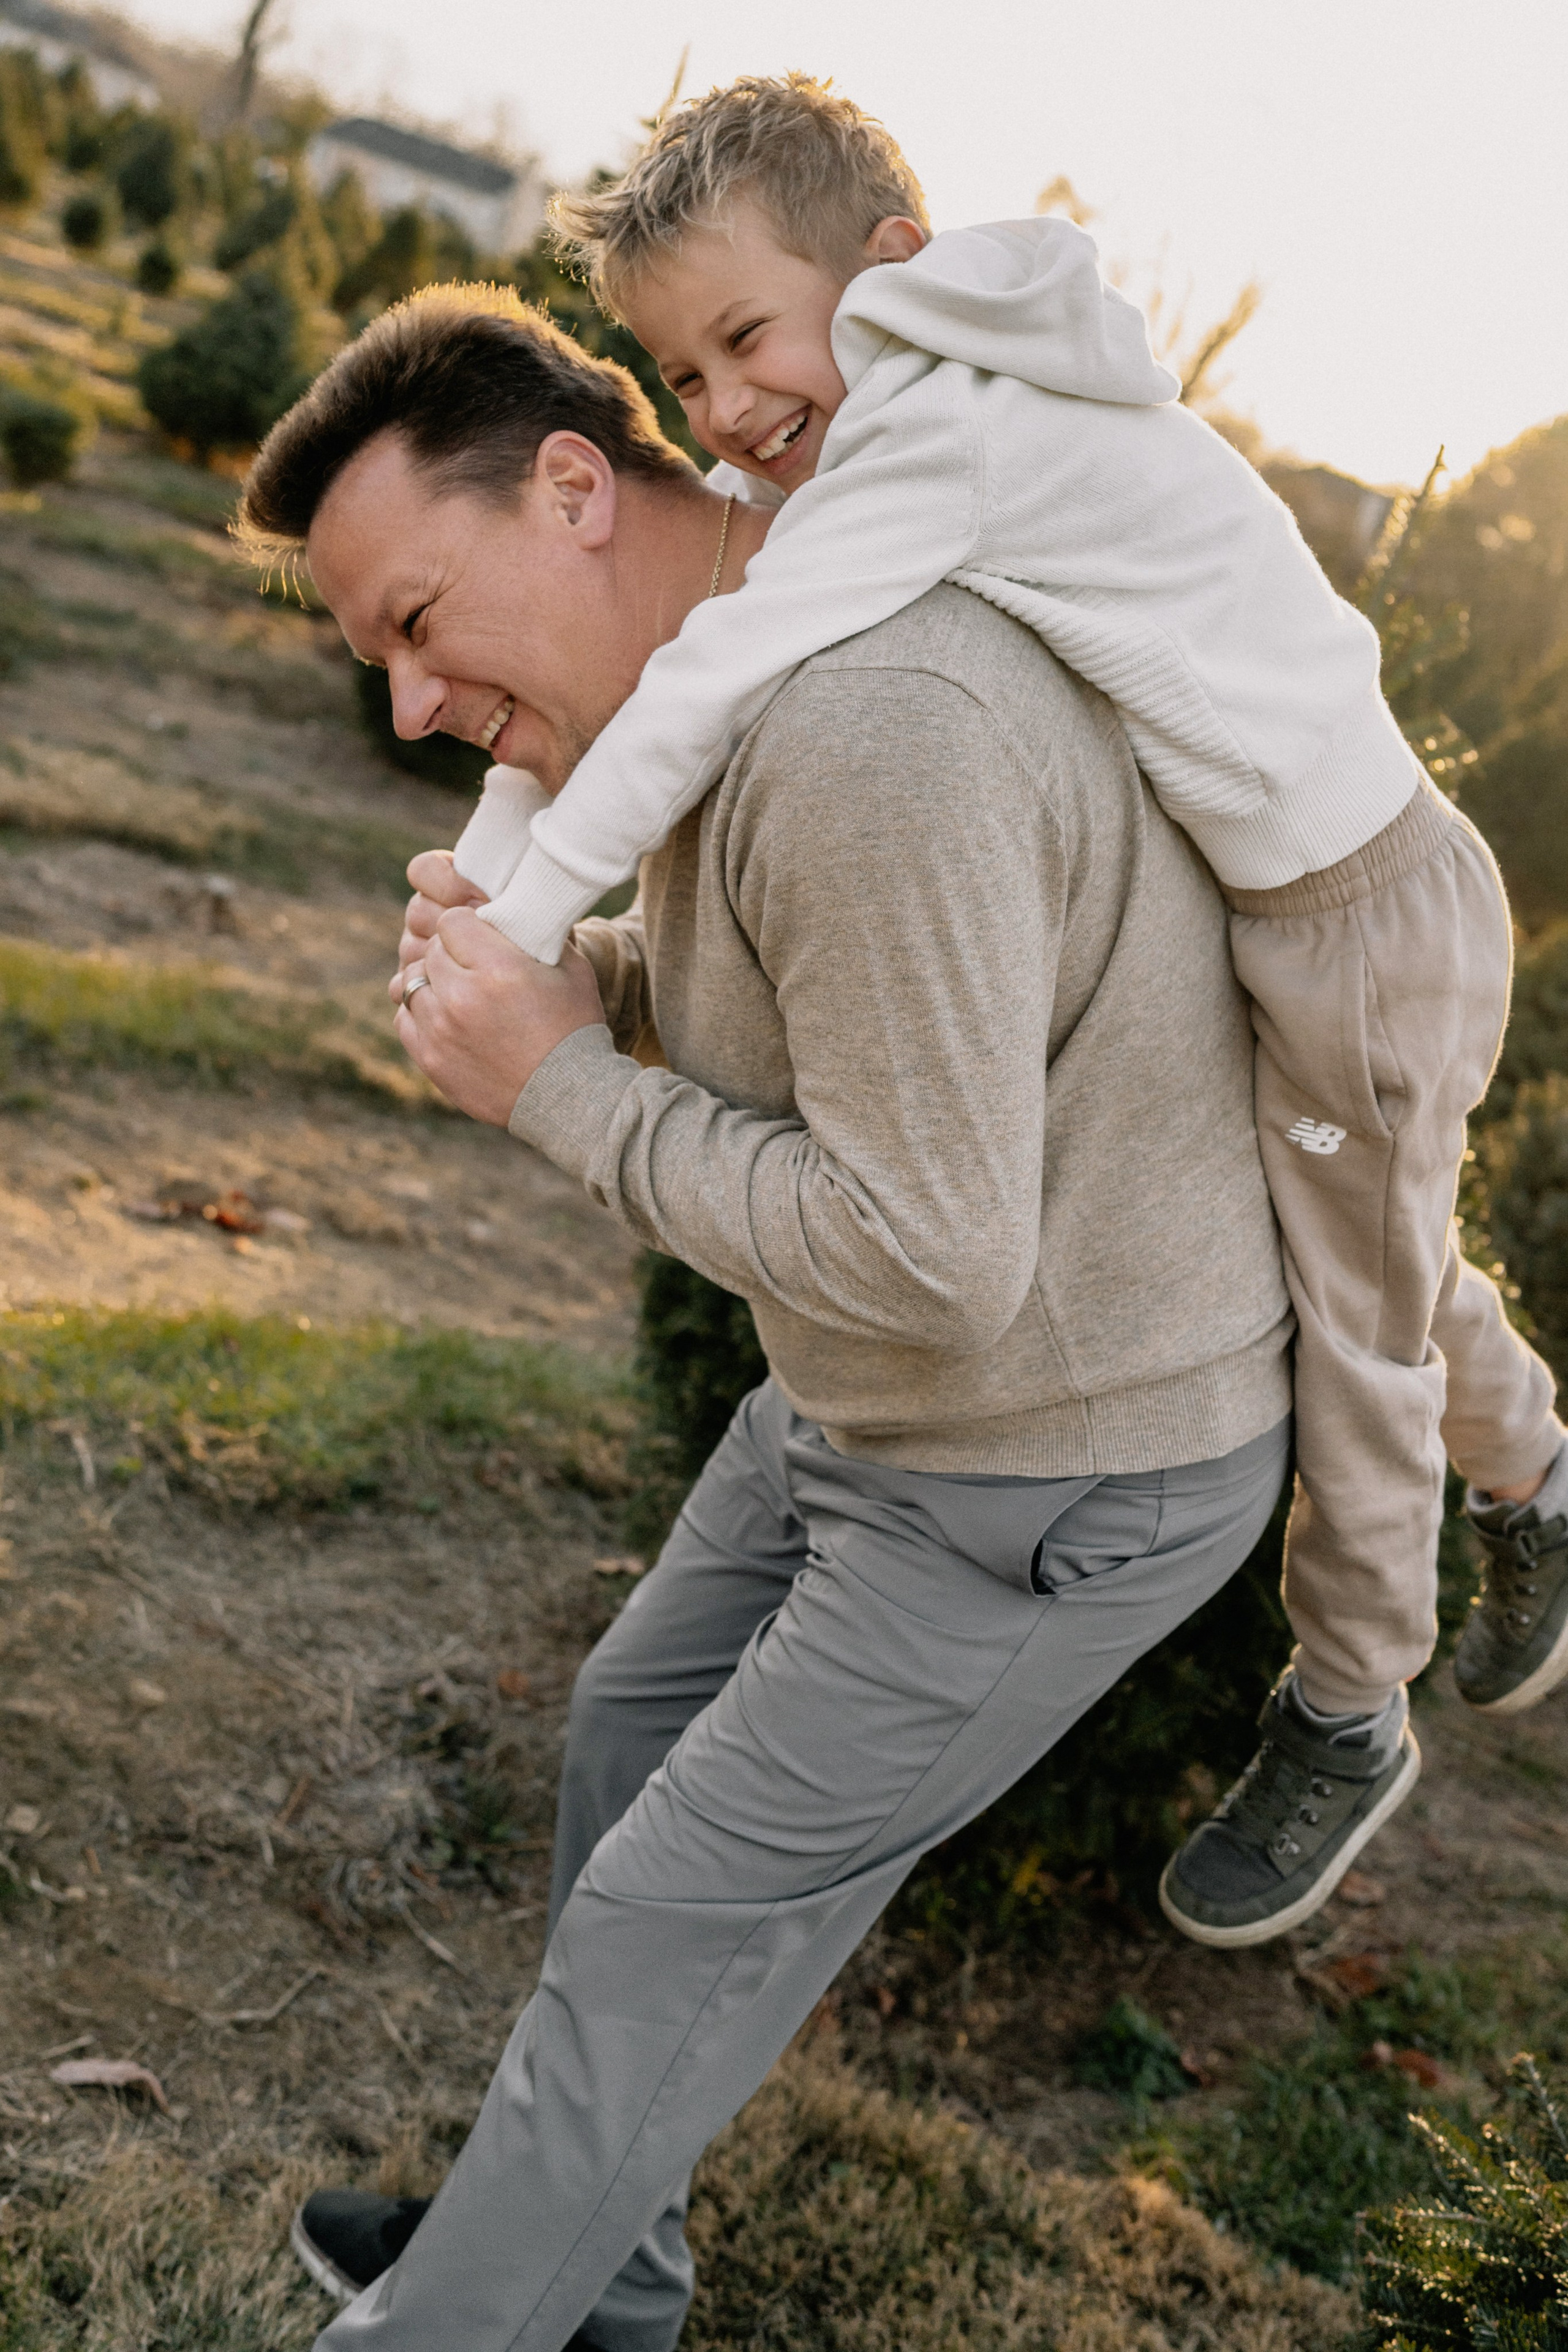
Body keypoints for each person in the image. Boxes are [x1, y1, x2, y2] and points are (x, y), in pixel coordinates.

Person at [241, 281, 1297, 2352]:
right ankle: (589, 2278)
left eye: (422, 624)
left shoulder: (868, 726)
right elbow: (832, 1012)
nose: (413, 708)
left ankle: (468, 2315)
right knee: (630, 1733)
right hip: (883, 1395)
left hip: (1057, 1450)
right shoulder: (713, 675)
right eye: (381, 657)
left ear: (573, 488)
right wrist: (594, 995)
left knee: (663, 1924)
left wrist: (558, 1084)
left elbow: (932, 1254)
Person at [442, 74, 1568, 1951]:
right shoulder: (936, 396)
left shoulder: (940, 446)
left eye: (745, 340)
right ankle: (1537, 1467)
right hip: (1282, 900)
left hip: (1358, 923)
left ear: (890, 266)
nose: (720, 413)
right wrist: (503, 815)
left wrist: (533, 900)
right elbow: (708, 559)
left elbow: (711, 663)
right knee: (1370, 1229)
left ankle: (1353, 1701)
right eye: (682, 373)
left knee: (1359, 1319)